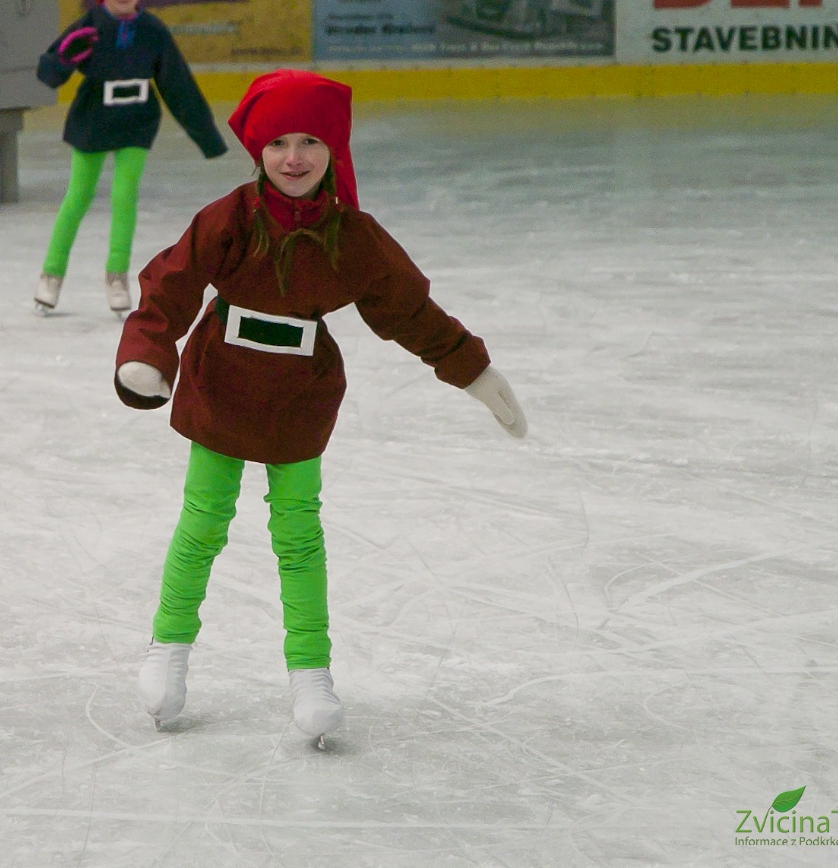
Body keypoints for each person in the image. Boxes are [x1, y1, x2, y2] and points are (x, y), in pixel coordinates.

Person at [113, 69, 527, 741]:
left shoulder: (352, 235)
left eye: (310, 141)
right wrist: (148, 353)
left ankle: (311, 675)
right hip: (221, 385)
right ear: (259, 151)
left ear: (334, 150)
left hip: (298, 396)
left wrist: (471, 369)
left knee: (299, 535)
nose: (294, 157)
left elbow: (407, 309)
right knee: (203, 523)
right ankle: (169, 648)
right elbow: (171, 284)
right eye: (279, 143)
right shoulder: (229, 218)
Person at [34, 0, 227, 316]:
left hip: (137, 121)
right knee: (78, 197)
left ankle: (116, 275)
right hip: (93, 121)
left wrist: (207, 138)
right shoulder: (89, 26)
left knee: (125, 196)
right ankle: (51, 274)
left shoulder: (153, 31)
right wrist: (62, 60)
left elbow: (178, 85)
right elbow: (48, 74)